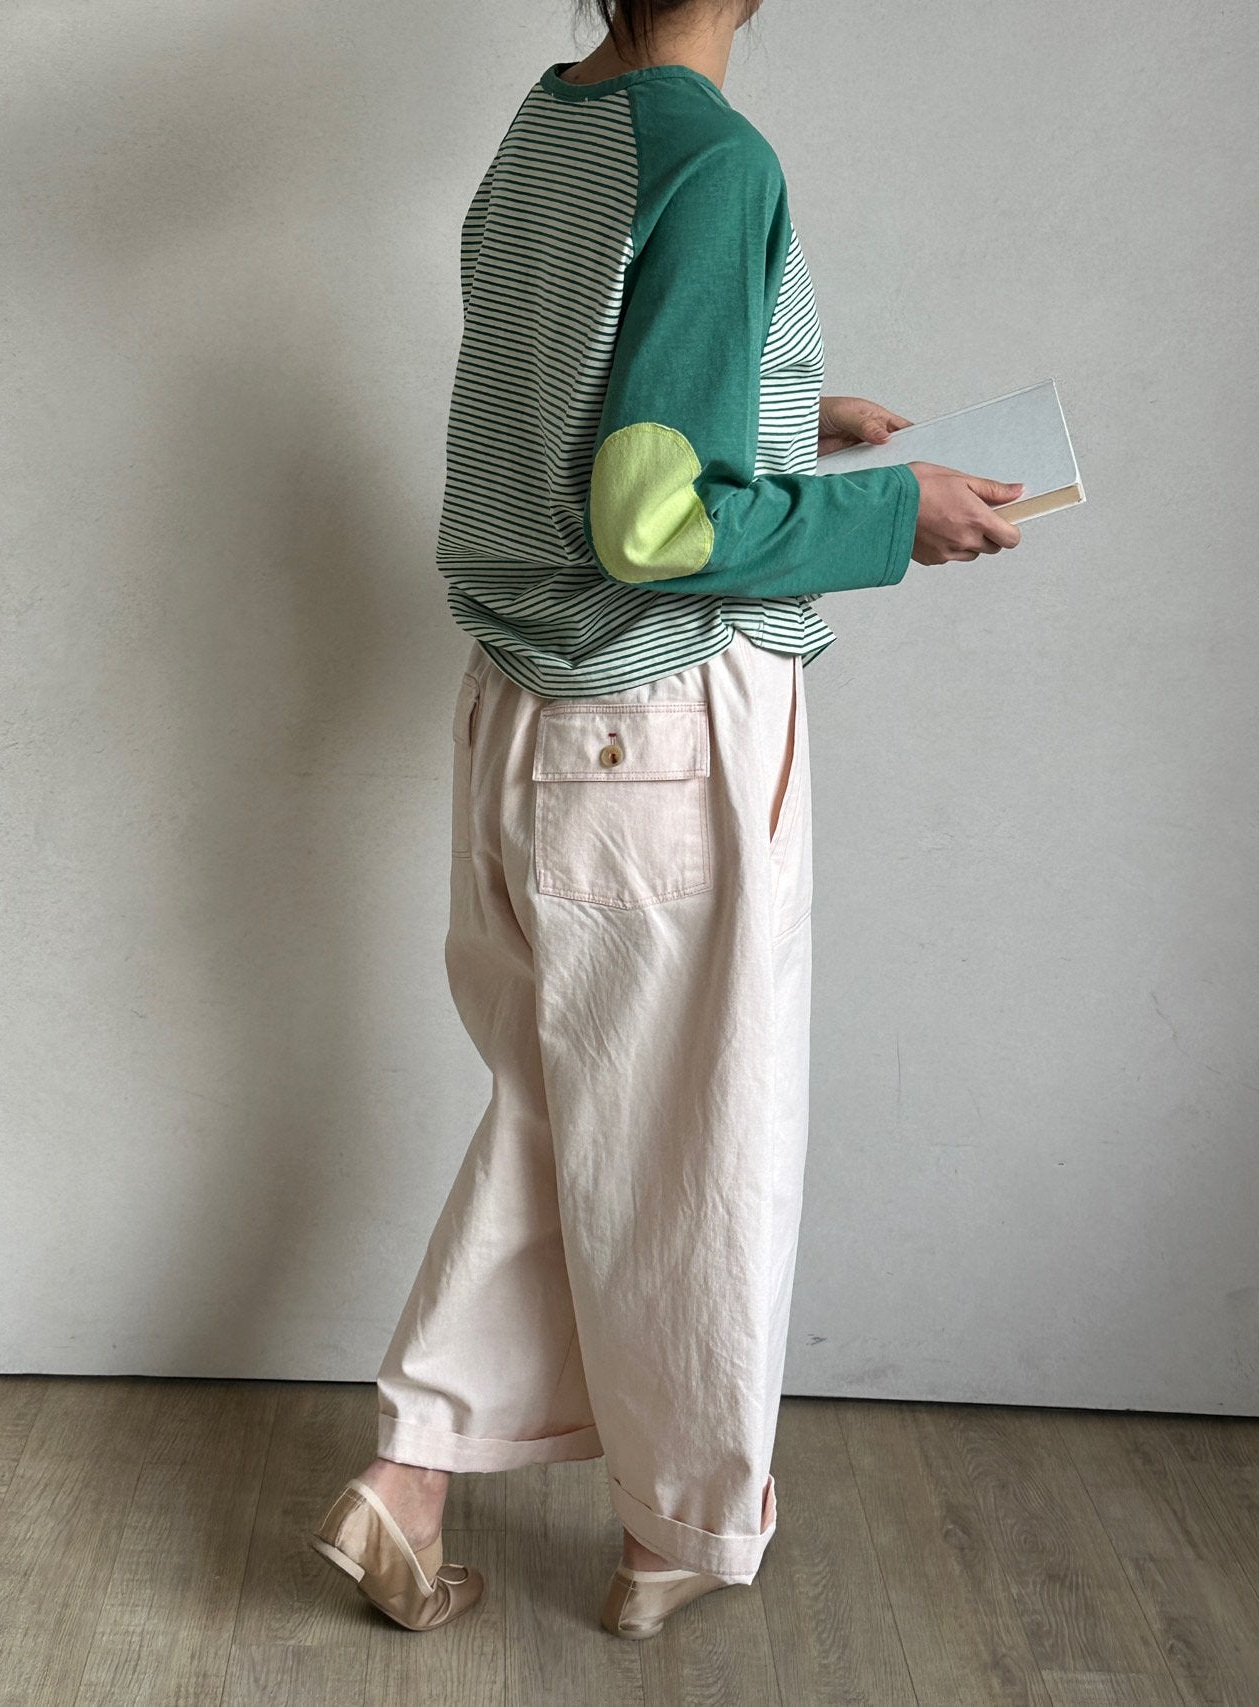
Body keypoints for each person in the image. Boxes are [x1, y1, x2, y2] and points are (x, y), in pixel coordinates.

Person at [308, 0, 1022, 1642]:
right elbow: (648, 525)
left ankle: (410, 1475)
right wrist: (887, 515)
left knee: (562, 1108)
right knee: (699, 1136)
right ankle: (679, 1527)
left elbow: (572, 403)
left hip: (520, 712)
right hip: (661, 719)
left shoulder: (553, 123)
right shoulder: (716, 163)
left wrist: (786, 415)